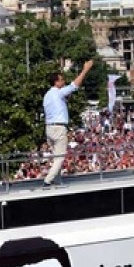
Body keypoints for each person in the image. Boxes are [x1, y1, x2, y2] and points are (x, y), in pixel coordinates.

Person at [42, 59, 93, 187]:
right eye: (61, 80)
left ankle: (58, 181)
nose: (63, 82)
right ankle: (48, 180)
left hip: (49, 128)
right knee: (60, 157)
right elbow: (74, 85)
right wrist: (85, 70)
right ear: (56, 82)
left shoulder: (47, 95)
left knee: (56, 157)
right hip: (59, 128)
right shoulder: (58, 93)